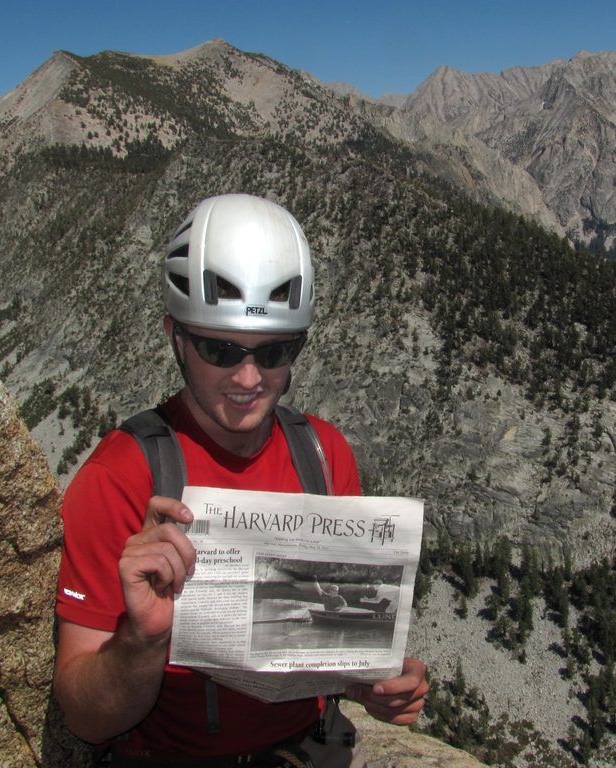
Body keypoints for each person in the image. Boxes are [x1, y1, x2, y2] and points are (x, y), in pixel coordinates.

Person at [52, 194, 429, 766]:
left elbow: (329, 650)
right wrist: (143, 638)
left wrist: (375, 686)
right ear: (176, 337)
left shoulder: (324, 455)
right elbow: (84, 716)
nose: (249, 377)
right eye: (220, 349)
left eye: (276, 350)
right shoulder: (118, 478)